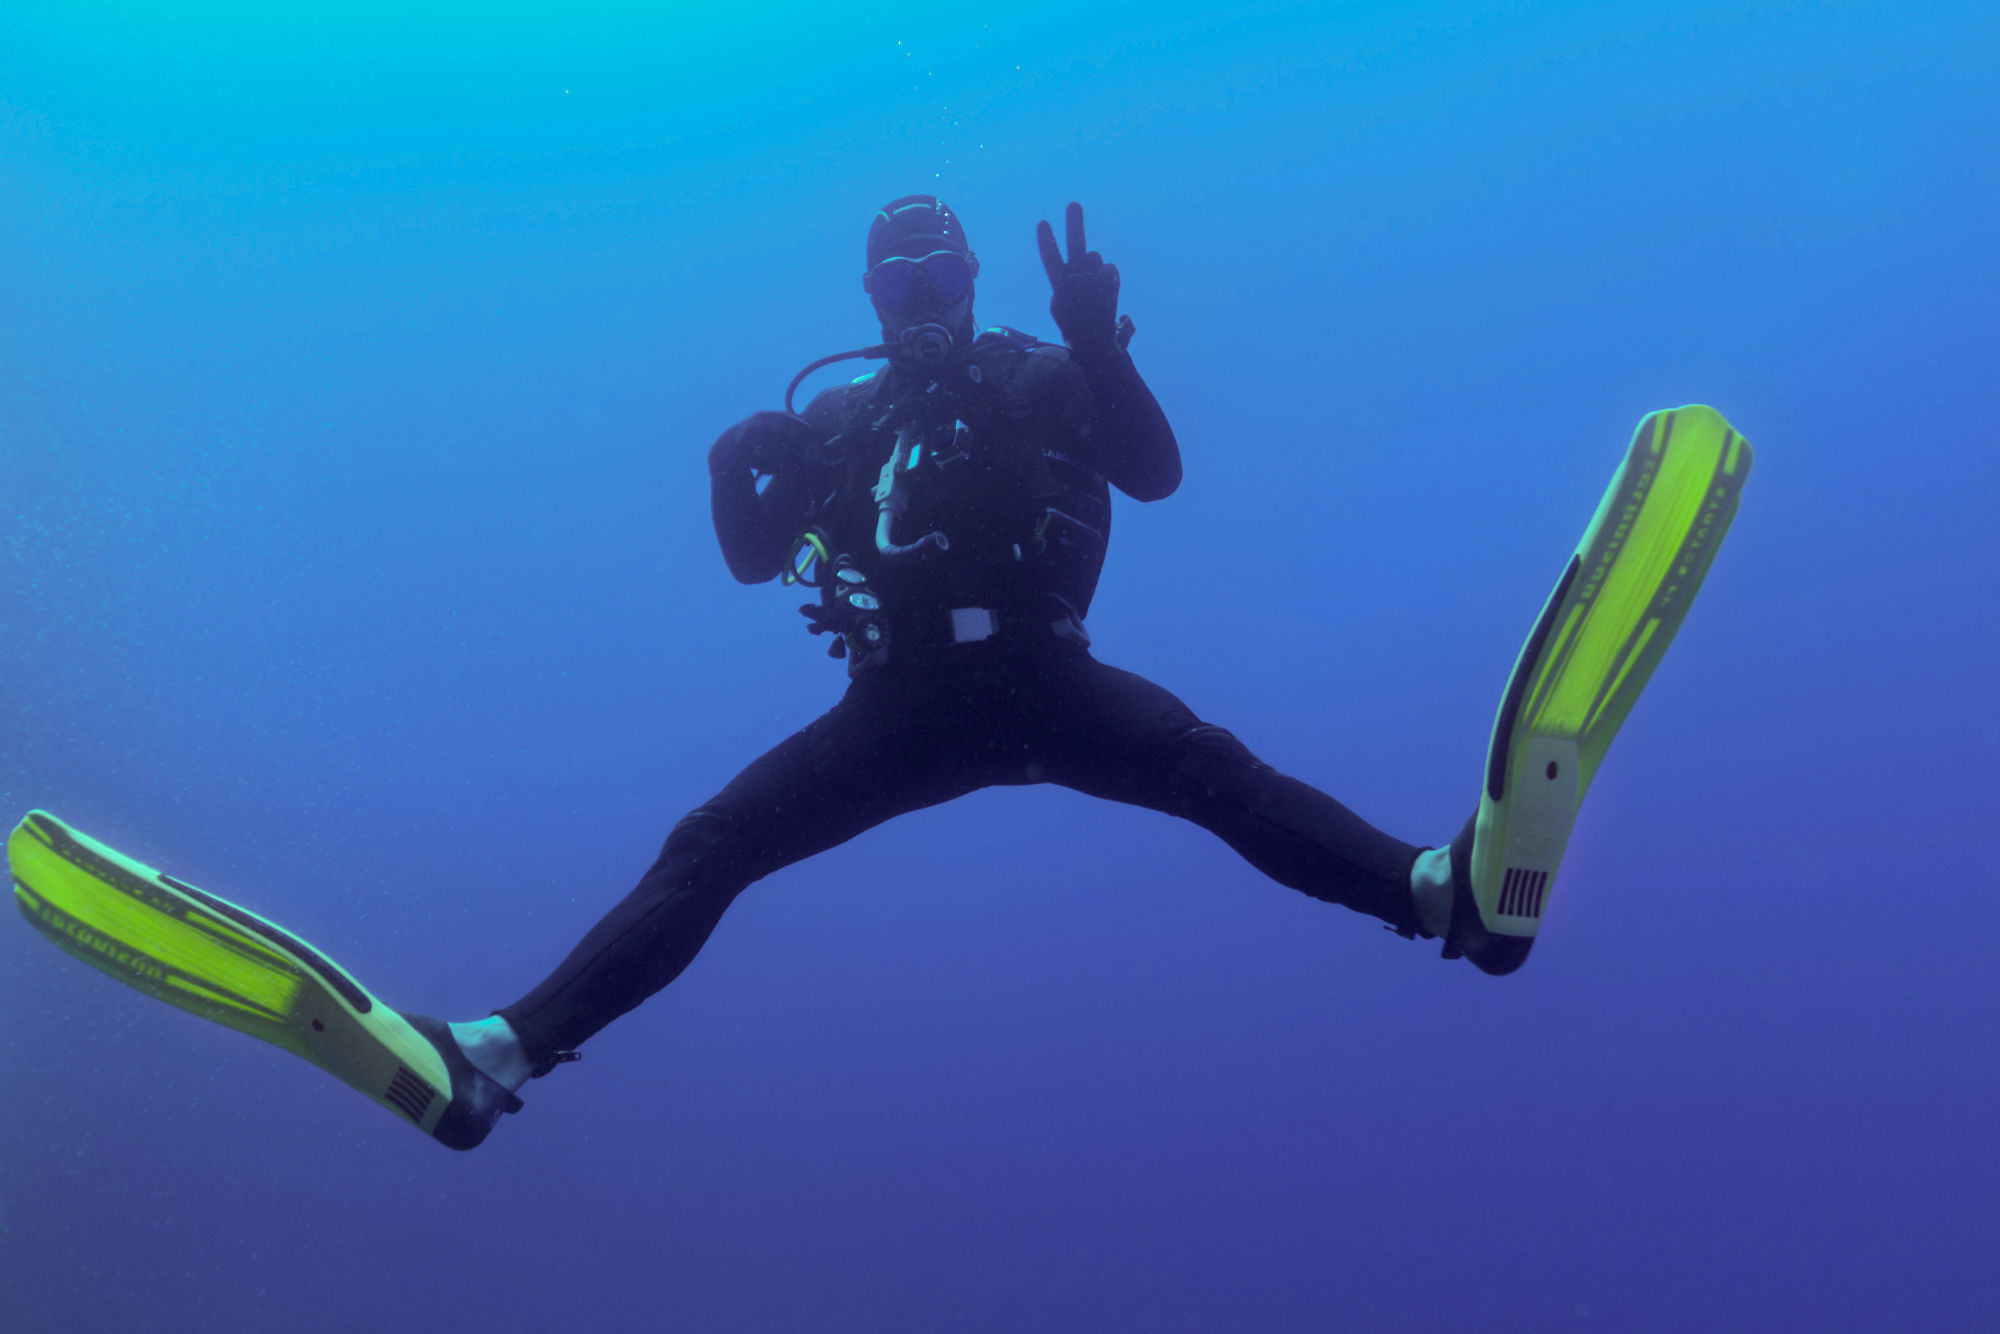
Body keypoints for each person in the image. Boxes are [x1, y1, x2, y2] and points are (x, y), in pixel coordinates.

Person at [8, 196, 1751, 1151]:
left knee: (1215, 775)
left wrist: (1097, 343)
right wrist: (726, 467)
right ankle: (493, 1059)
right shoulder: (840, 411)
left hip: (1054, 676)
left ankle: (1458, 900)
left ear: (974, 275)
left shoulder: (1039, 365)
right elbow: (755, 568)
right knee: (712, 845)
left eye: (940, 270)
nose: (919, 292)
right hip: (904, 702)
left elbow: (1152, 476)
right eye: (894, 273)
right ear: (864, 284)